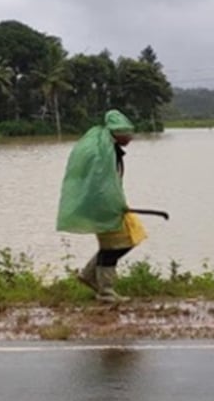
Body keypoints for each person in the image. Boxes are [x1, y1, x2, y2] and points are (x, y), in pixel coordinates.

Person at [57, 110, 147, 303]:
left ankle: (89, 275)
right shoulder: (104, 154)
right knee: (114, 247)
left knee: (129, 238)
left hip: (108, 204)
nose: (130, 137)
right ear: (116, 134)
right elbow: (102, 184)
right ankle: (105, 291)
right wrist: (114, 204)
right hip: (104, 207)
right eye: (126, 133)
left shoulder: (110, 151)